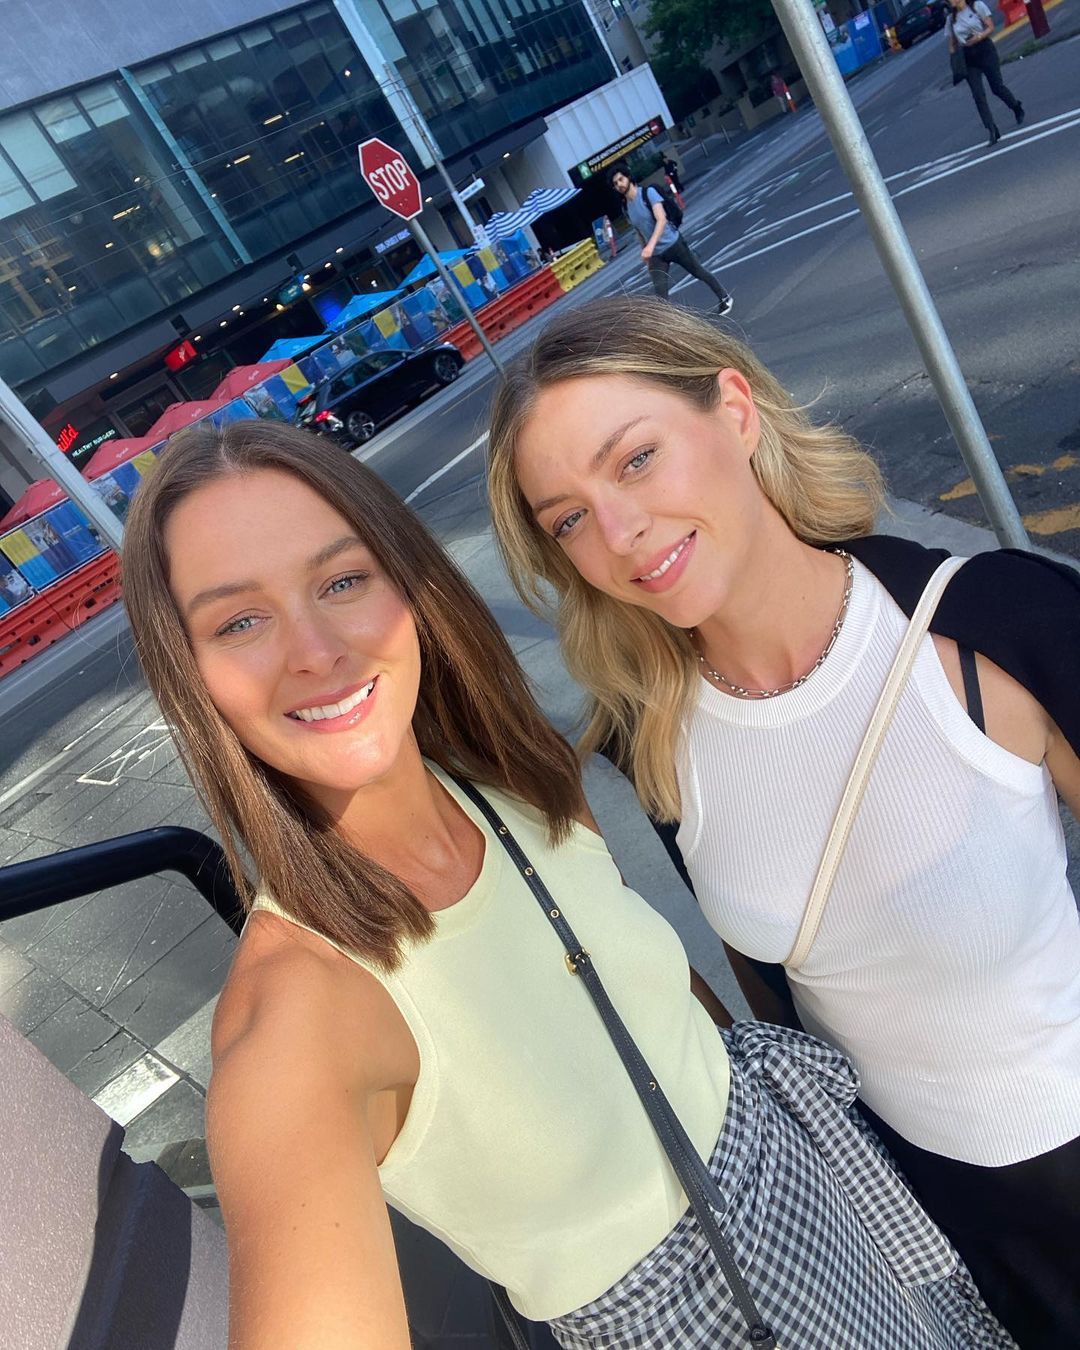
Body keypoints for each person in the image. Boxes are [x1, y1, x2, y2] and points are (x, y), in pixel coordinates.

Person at [121, 419, 1012, 1350]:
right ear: (192, 678)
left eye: (343, 581)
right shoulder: (294, 1023)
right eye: (239, 622)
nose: (314, 649)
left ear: (409, 587)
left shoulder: (514, 784)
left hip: (823, 1185)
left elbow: (650, 990)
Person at [487, 295, 1080, 1350]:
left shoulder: (993, 624)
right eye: (567, 518)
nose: (618, 533)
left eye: (636, 460)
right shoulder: (650, 739)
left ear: (734, 409)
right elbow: (769, 983)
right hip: (905, 1213)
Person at [608, 159, 733, 315]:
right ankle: (668, 325)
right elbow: (639, 232)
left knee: (698, 271)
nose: (619, 185)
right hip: (656, 255)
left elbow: (661, 220)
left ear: (628, 177)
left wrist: (650, 247)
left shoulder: (647, 193)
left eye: (621, 179)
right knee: (660, 294)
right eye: (615, 183)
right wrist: (646, 253)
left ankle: (724, 297)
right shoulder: (626, 207)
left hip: (674, 244)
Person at [947, 0, 1024, 146]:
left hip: (985, 50)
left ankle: (1016, 107)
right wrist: (955, 60)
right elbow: (952, 44)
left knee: (996, 87)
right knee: (978, 95)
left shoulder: (977, 6)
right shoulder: (951, 19)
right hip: (968, 58)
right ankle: (991, 129)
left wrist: (979, 36)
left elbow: (990, 27)